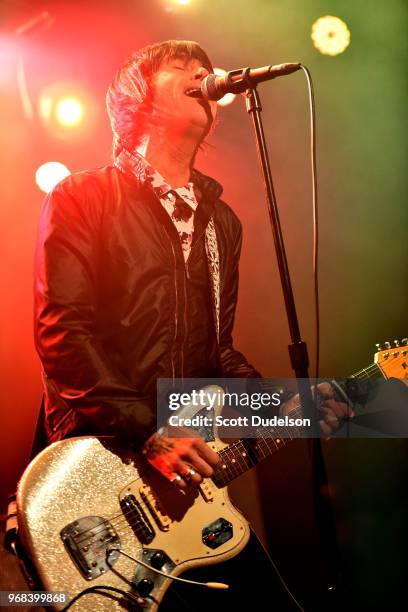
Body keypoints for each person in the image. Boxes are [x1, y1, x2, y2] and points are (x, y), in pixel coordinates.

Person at [34, 40, 350, 610]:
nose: (204, 74)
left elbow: (217, 352)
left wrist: (287, 406)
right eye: (182, 69)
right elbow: (63, 331)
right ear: (140, 101)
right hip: (100, 462)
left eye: (205, 67)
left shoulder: (220, 222)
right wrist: (146, 432)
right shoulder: (83, 194)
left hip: (184, 481)